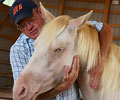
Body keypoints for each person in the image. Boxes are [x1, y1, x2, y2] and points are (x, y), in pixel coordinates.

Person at [9, 0, 113, 99]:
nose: (29, 27)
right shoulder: (18, 49)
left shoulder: (62, 29)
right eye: (22, 26)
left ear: (40, 12)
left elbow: (105, 29)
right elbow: (23, 95)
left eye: (31, 20)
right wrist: (63, 87)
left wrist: (100, 61)